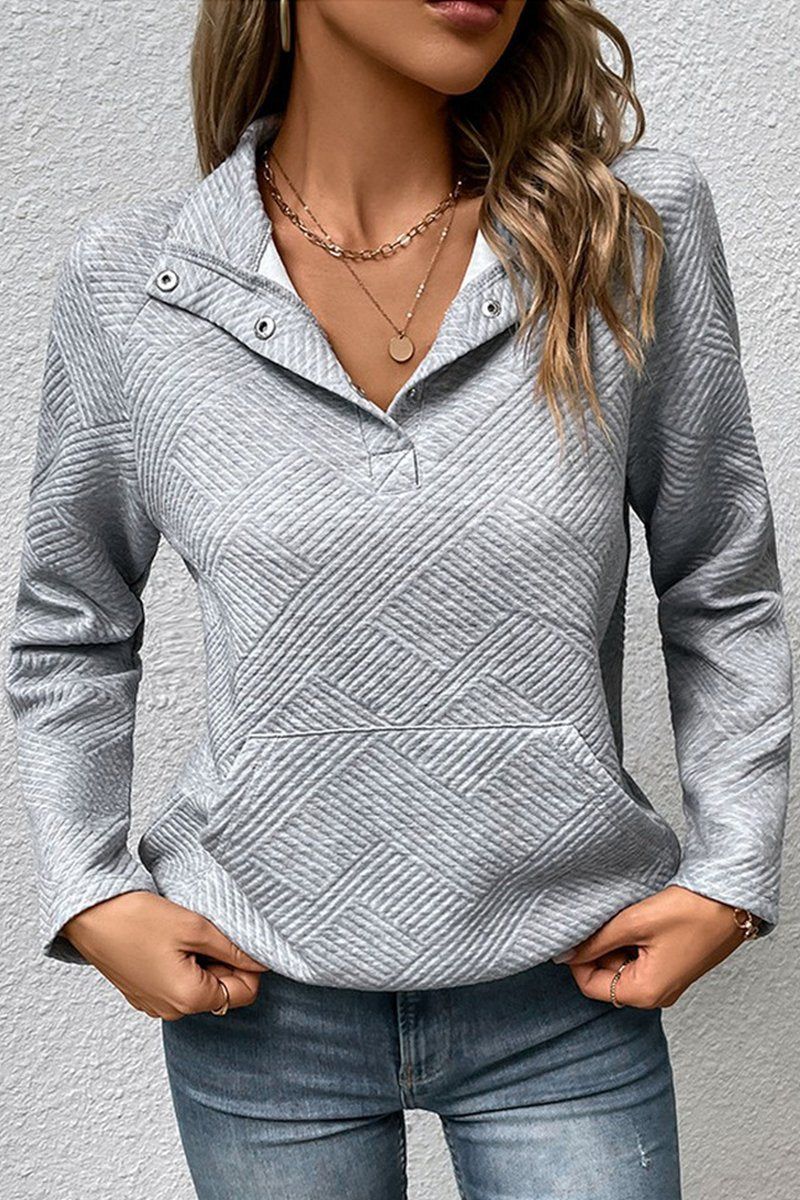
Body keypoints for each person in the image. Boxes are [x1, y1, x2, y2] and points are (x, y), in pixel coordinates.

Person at [5, 1, 792, 1197]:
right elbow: (71, 624)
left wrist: (729, 872)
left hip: (565, 989)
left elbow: (719, 579)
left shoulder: (623, 231)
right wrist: (89, 887)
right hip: (257, 1007)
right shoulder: (136, 282)